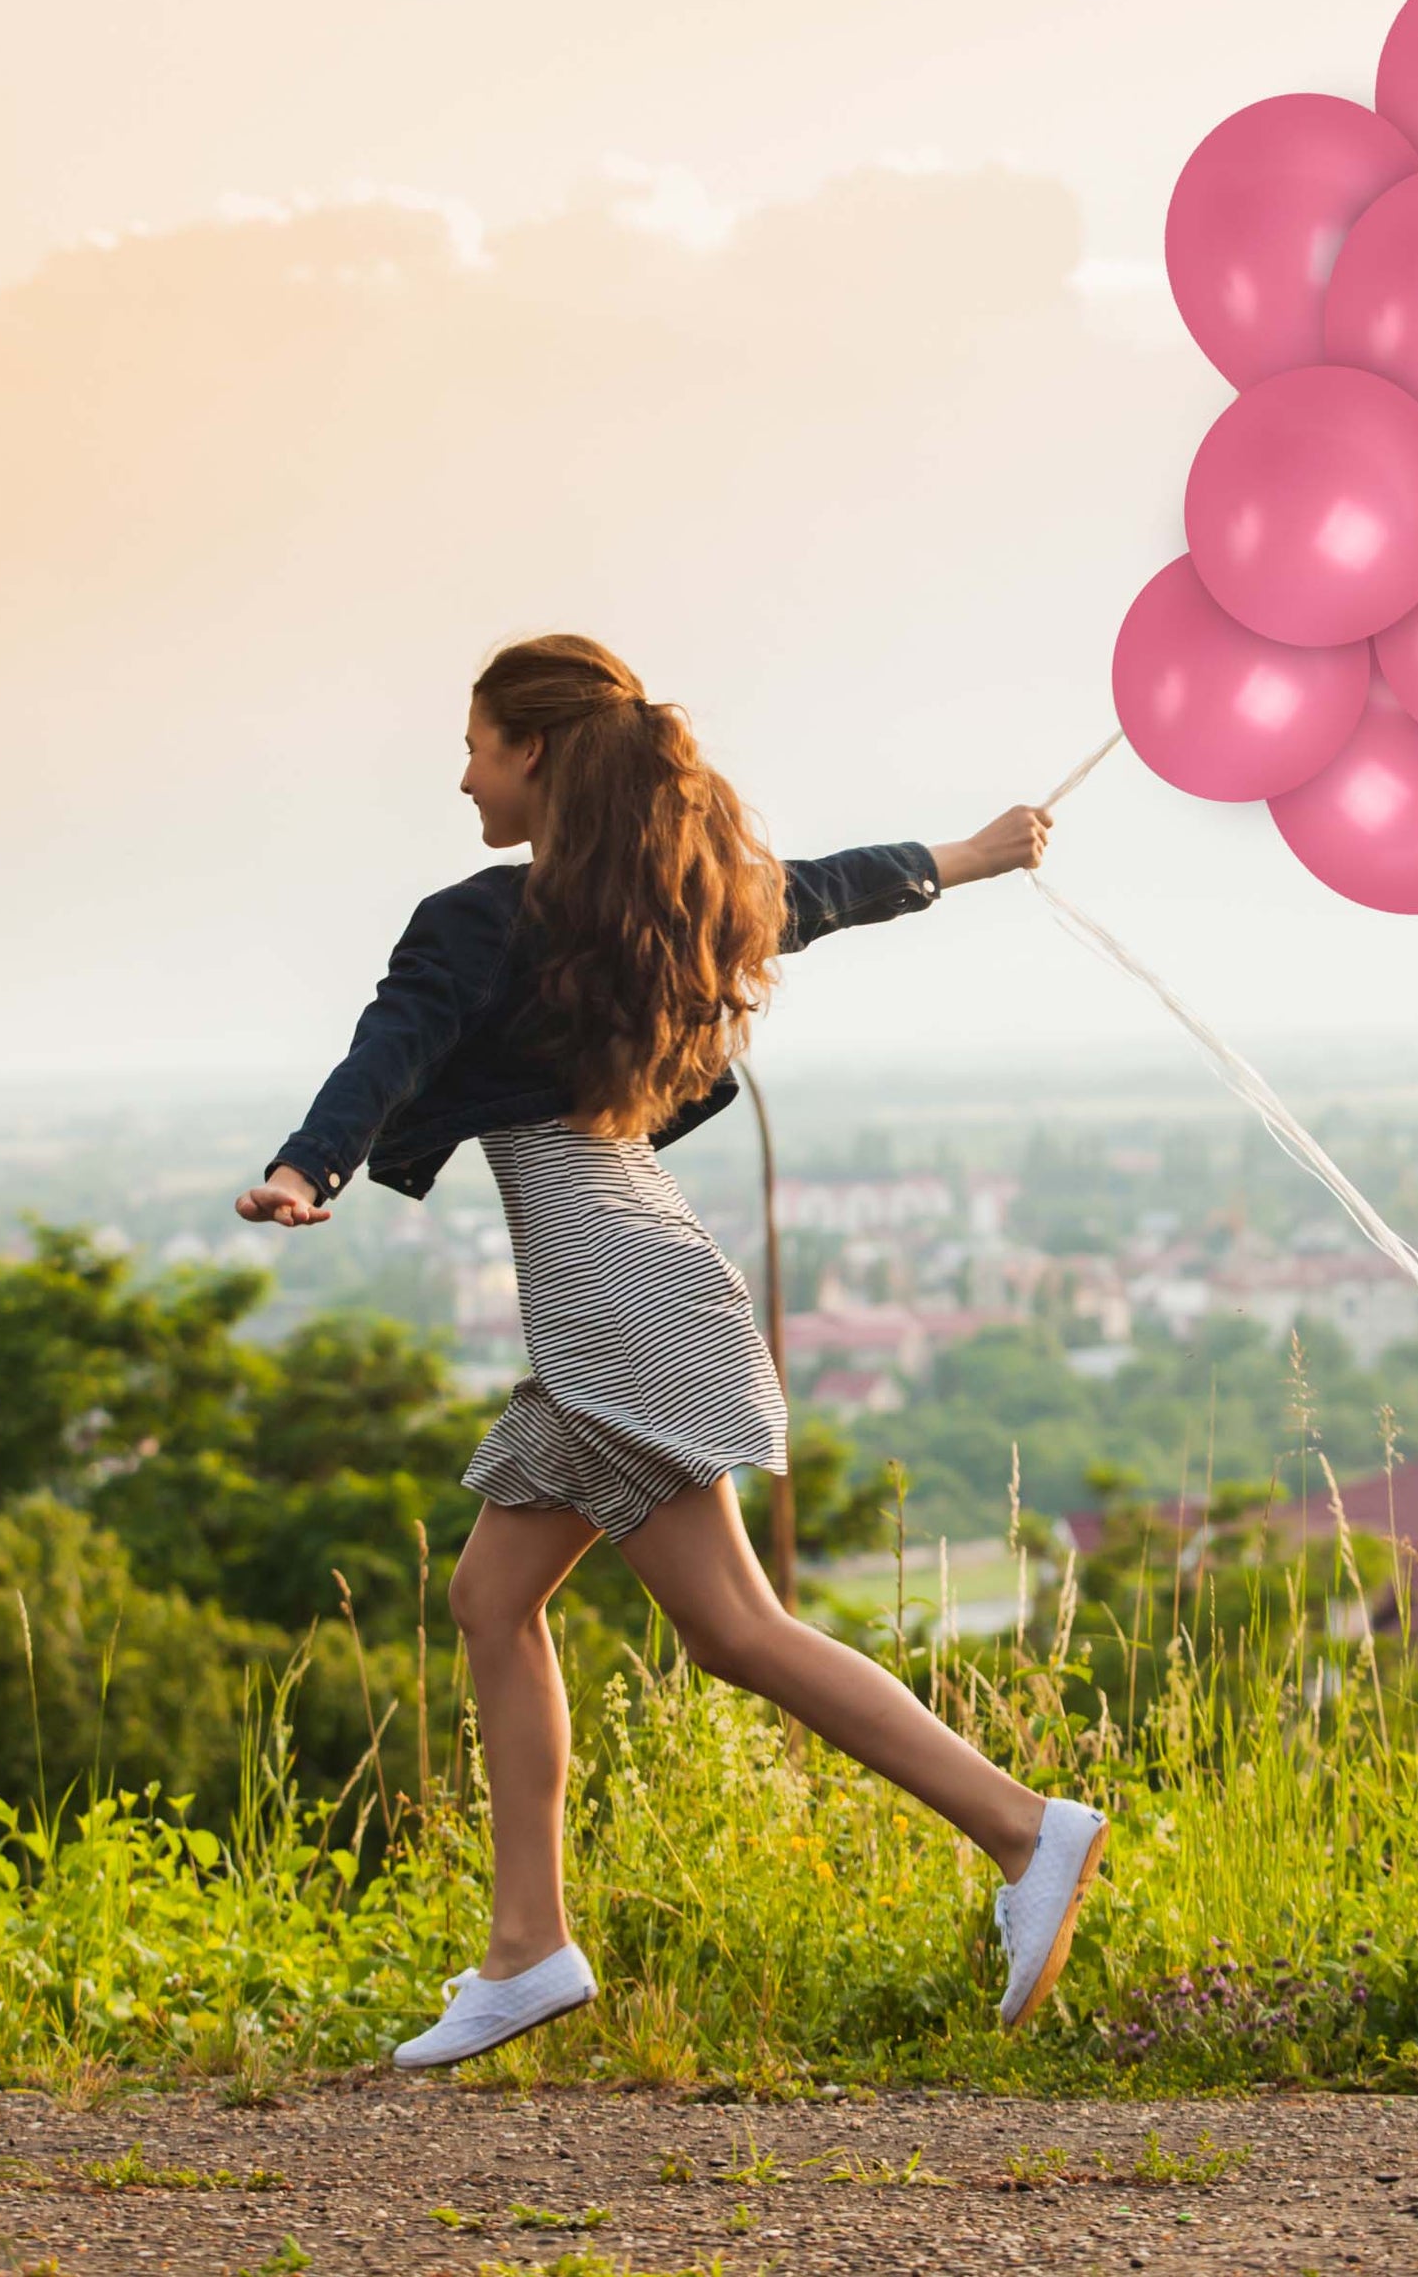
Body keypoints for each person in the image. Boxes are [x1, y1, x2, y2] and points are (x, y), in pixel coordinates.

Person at [236, 633, 1107, 2070]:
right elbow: (814, 898)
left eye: (473, 746)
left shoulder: (480, 922)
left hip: (621, 1305)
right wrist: (971, 853)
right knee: (494, 1600)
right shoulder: (655, 908)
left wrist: (308, 1164)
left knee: (737, 1631)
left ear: (531, 754)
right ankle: (528, 1946)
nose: (460, 777)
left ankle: (1025, 1829)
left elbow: (389, 1047)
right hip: (622, 1278)